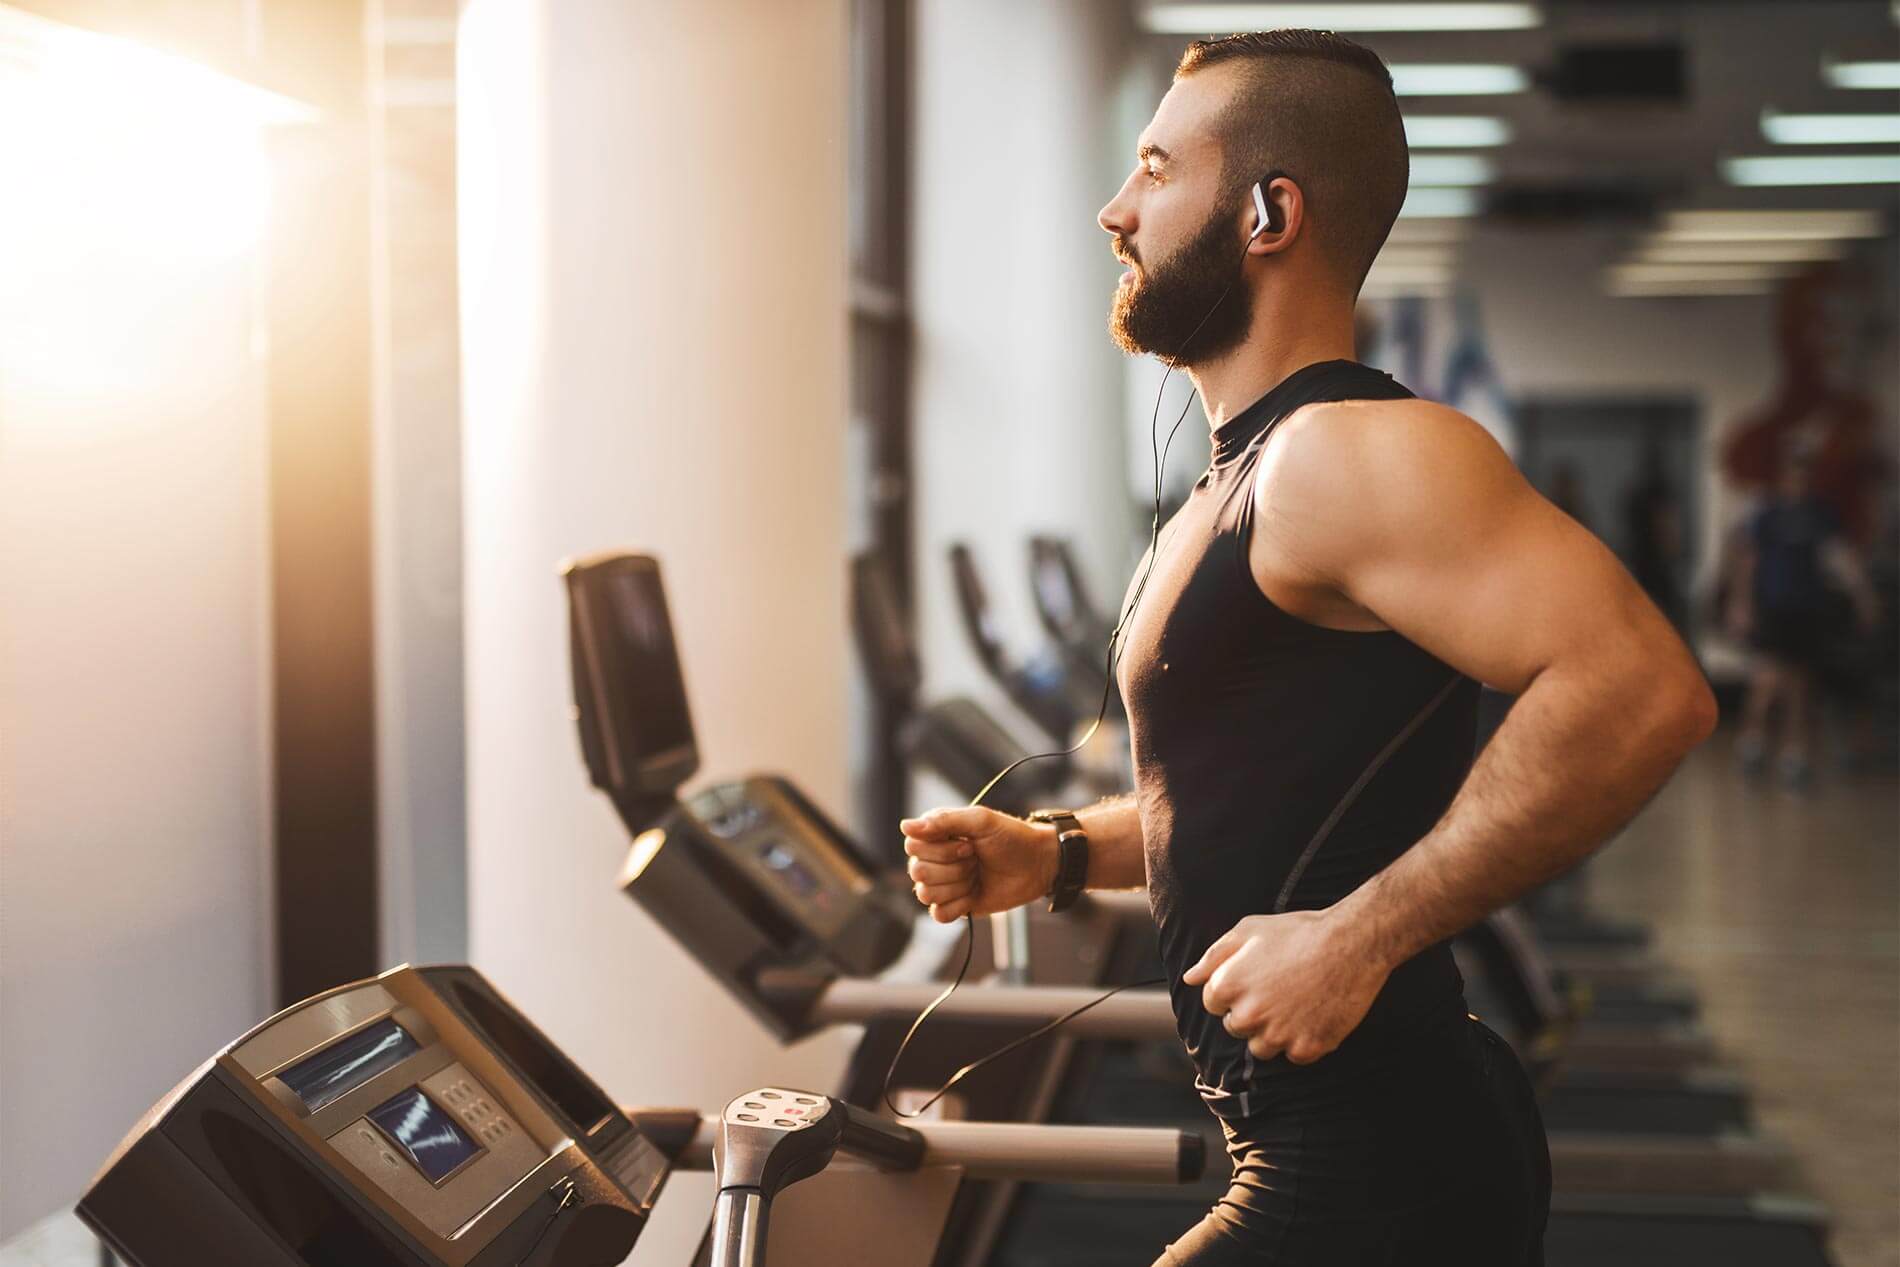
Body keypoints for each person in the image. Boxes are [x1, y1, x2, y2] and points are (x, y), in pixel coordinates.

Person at [901, 30, 1716, 1266]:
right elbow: (1260, 799)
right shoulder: (1245, 473)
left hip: (1369, 1157)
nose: (1117, 212)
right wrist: (1056, 854)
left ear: (1267, 211)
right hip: (1338, 1139)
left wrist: (1361, 933)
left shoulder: (1349, 453)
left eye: (1156, 171)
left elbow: (1644, 690)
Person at [1728, 440, 1879, 786]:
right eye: (1794, 472)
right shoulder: (1768, 513)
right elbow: (1747, 561)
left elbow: (1840, 557)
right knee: (1767, 678)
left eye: (1805, 473)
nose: (1800, 479)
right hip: (1772, 605)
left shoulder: (1820, 513)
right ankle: (1752, 741)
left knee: (1800, 681)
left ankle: (1794, 755)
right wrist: (1742, 604)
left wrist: (1863, 595)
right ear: (1784, 476)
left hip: (1806, 607)